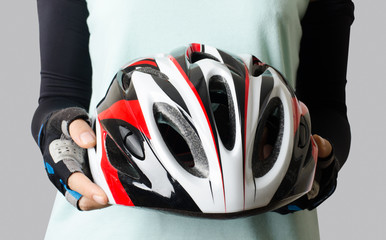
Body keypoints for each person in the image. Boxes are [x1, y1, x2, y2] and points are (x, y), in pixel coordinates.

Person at [31, 0, 354, 239]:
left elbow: (327, 106)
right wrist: (60, 132)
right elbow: (59, 96)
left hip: (267, 224)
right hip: (111, 222)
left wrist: (321, 163)